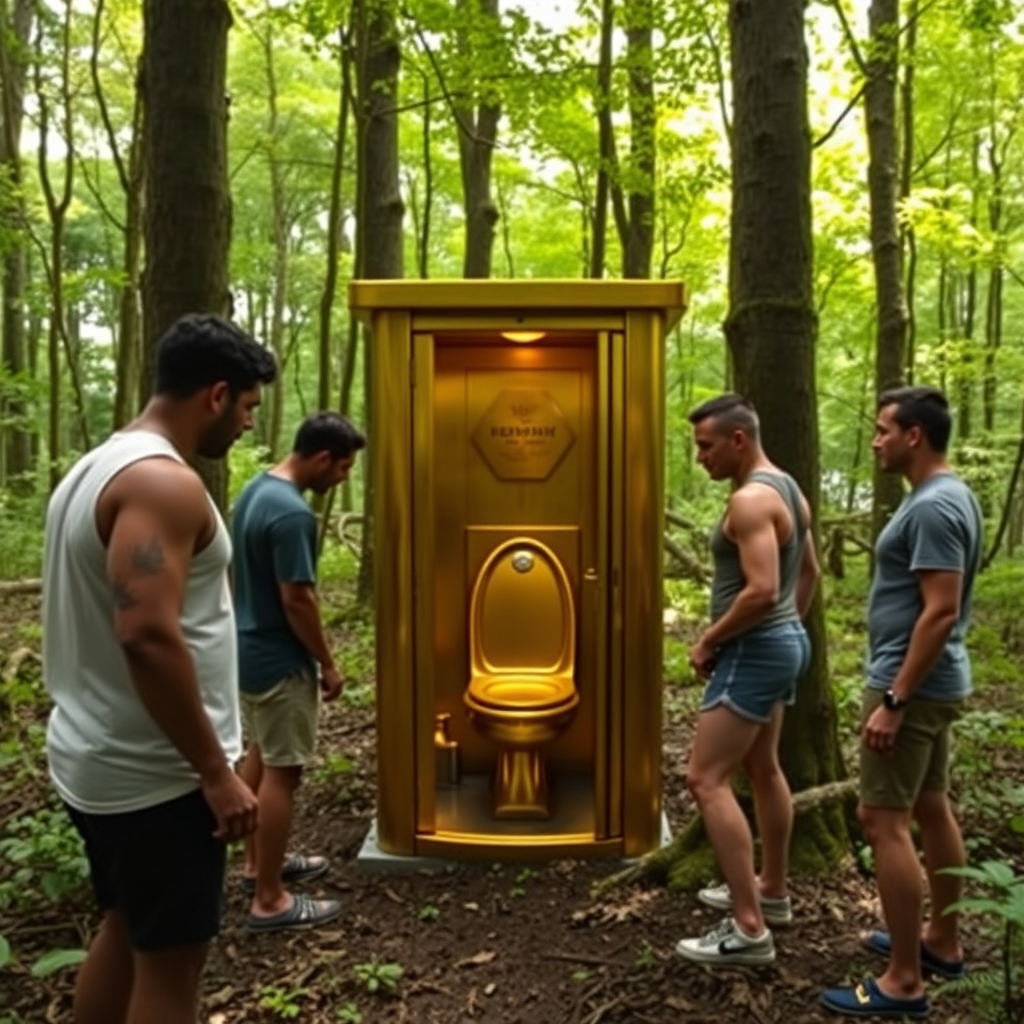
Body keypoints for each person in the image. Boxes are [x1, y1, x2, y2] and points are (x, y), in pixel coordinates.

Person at [42, 314, 277, 1024]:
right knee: (172, 970)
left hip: (97, 759)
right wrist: (214, 771)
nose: (244, 424)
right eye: (246, 407)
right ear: (214, 394)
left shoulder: (93, 469)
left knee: (127, 929)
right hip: (158, 778)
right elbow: (145, 631)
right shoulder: (161, 485)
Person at [821, 387, 981, 1019]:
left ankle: (902, 981)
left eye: (884, 430)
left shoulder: (936, 506)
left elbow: (940, 610)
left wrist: (893, 698)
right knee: (931, 807)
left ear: (915, 435)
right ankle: (941, 939)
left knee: (881, 821)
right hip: (933, 683)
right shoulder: (950, 495)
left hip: (911, 684)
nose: (876, 440)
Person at [675, 394, 819, 967]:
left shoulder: (751, 500)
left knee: (704, 779)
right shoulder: (789, 489)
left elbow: (761, 589)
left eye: (706, 446)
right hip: (783, 644)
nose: (700, 457)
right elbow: (803, 573)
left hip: (753, 649)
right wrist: (789, 632)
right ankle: (772, 890)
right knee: (763, 768)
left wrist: (712, 638)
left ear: (738, 440)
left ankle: (748, 926)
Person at [232, 412, 366, 932]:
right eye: (343, 468)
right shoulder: (292, 514)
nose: (344, 478)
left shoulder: (255, 491)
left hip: (247, 653)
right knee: (284, 775)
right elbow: (298, 598)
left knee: (260, 754)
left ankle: (253, 865)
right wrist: (327, 663)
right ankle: (270, 899)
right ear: (321, 457)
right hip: (280, 659)